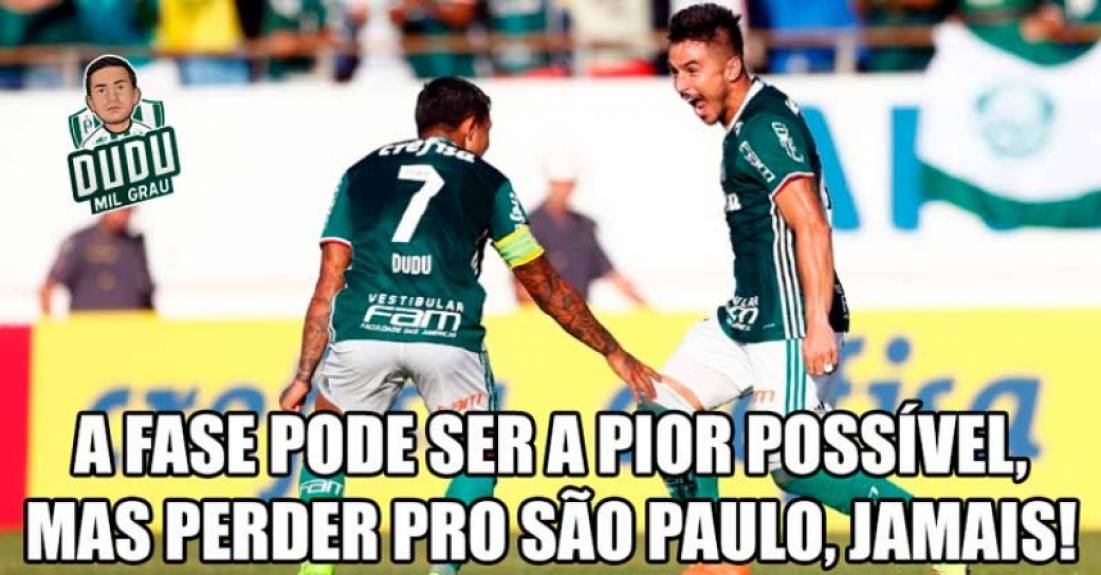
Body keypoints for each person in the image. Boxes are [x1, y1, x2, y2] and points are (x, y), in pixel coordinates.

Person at [278, 77, 658, 575]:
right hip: (447, 336)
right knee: (479, 458)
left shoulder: (361, 172)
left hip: (364, 331)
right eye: (488, 131)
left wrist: (304, 375)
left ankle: (315, 570)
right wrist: (611, 349)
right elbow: (540, 281)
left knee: (328, 447)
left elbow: (329, 280)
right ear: (472, 126)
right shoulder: (488, 180)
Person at [658, 5, 965, 575]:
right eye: (675, 71)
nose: (681, 85)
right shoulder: (745, 125)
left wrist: (817, 321)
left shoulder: (764, 126)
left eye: (693, 70)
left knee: (795, 465)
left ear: (731, 68)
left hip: (788, 322)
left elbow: (813, 225)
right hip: (746, 316)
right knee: (667, 407)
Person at [515, 160, 646, 305]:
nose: (562, 191)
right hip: (542, 314)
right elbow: (522, 286)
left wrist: (645, 307)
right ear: (550, 184)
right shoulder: (530, 226)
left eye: (567, 185)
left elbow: (610, 273)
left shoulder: (583, 227)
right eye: (558, 185)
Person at [40, 208, 155, 314]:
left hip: (131, 326)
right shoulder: (81, 241)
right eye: (121, 210)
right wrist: (50, 325)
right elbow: (48, 288)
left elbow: (146, 292)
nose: (125, 216)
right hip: (88, 326)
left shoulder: (134, 244)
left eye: (129, 211)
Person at [79, 55, 151, 149]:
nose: (112, 98)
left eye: (120, 87)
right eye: (101, 91)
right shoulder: (88, 147)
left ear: (136, 95)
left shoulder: (150, 137)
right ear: (90, 102)